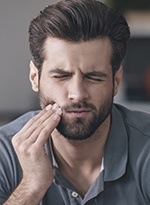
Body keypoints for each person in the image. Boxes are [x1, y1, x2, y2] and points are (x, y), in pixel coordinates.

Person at [0, 0, 150, 204]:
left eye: (94, 77)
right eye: (61, 76)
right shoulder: (4, 152)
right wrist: (32, 187)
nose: (77, 94)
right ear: (35, 77)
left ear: (116, 81)